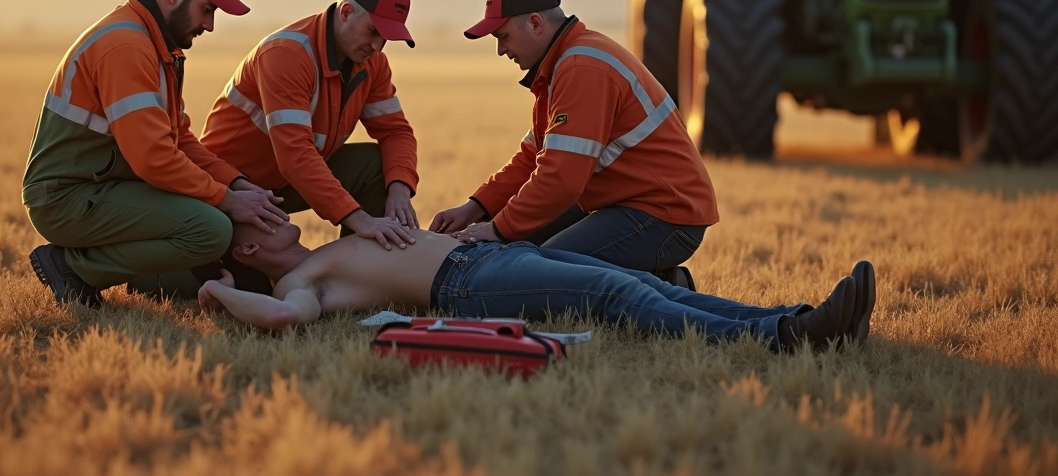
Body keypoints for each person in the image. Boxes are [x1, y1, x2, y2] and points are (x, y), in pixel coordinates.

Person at [21, 0, 287, 309]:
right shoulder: (126, 46)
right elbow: (155, 159)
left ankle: (154, 277)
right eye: (206, 9)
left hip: (105, 188)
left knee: (210, 220)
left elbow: (180, 141)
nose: (209, 25)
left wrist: (239, 185)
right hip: (67, 198)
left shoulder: (157, 46)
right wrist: (227, 201)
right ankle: (72, 268)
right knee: (210, 229)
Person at [431, 0, 719, 289]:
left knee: (541, 272)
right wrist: (475, 209)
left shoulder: (582, 67)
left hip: (665, 216)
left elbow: (561, 180)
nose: (501, 50)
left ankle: (664, 286)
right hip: (631, 206)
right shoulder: (562, 65)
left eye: (503, 36)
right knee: (519, 255)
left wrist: (499, 228)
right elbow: (532, 158)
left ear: (536, 24)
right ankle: (649, 281)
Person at [197, 221, 877, 354]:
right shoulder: (304, 277)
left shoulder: (328, 244)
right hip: (467, 287)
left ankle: (800, 321)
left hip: (486, 263)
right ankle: (788, 338)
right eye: (262, 214)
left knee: (636, 285)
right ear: (250, 247)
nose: (277, 207)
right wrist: (217, 294)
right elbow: (286, 320)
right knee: (623, 298)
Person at [191, 0, 421, 293]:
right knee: (239, 284)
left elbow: (396, 132)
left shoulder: (373, 63)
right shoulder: (287, 54)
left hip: (281, 187)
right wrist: (359, 219)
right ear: (346, 12)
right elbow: (296, 155)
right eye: (373, 31)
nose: (378, 45)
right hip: (231, 190)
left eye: (386, 37)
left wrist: (399, 188)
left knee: (377, 165)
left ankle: (359, 277)